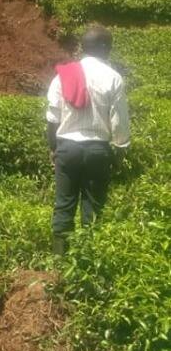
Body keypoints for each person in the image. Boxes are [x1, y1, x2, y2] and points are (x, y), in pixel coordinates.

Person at [46, 25, 130, 256]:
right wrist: (120, 152)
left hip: (67, 148)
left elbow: (52, 119)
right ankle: (87, 262)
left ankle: (59, 263)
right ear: (105, 48)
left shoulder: (62, 76)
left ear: (85, 47)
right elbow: (119, 122)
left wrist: (54, 149)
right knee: (92, 207)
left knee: (64, 204)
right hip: (97, 150)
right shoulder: (113, 78)